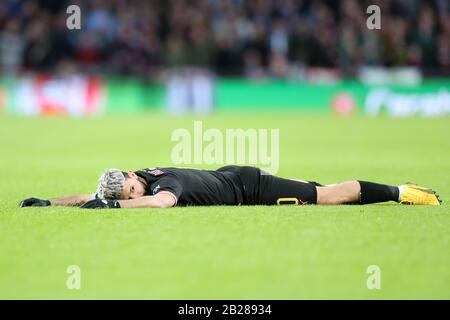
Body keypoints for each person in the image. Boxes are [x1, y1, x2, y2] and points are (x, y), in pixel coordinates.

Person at [19, 166, 441, 209]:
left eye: (130, 193)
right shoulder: (140, 175)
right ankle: (400, 189)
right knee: (322, 188)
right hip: (233, 176)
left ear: (131, 176)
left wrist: (113, 210)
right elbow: (90, 196)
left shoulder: (166, 185)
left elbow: (162, 204)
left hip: (249, 188)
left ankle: (402, 192)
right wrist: (49, 202)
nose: (135, 198)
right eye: (127, 198)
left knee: (331, 196)